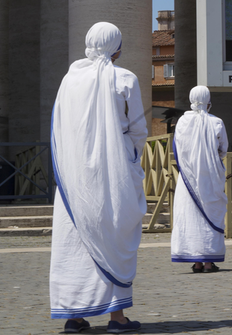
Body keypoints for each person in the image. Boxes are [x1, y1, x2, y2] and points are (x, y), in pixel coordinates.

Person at [49, 22, 147, 334]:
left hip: (75, 174)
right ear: (117, 46)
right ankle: (117, 319)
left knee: (75, 240)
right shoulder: (125, 78)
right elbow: (139, 130)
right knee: (113, 233)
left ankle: (74, 317)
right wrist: (129, 157)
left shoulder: (70, 79)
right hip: (113, 171)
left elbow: (60, 125)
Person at [170, 86, 230, 272]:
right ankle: (208, 262)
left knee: (190, 215)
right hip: (210, 177)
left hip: (187, 177)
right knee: (211, 213)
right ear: (209, 102)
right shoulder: (217, 122)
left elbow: (177, 147)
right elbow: (223, 148)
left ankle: (196, 262)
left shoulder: (182, 122)